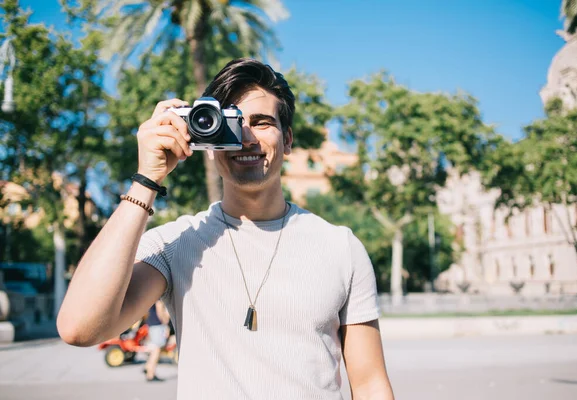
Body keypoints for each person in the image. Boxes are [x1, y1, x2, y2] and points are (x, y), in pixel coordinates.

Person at [57, 58, 394, 399]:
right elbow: (79, 328)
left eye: (261, 123)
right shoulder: (174, 243)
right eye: (230, 124)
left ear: (288, 140)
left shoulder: (340, 247)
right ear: (205, 138)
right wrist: (147, 179)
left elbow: (370, 385)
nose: (246, 138)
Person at [143, 300, 170, 382]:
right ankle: (150, 374)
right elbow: (160, 309)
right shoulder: (158, 297)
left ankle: (148, 367)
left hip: (151, 323)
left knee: (155, 348)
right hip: (158, 325)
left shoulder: (149, 295)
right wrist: (166, 323)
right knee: (157, 350)